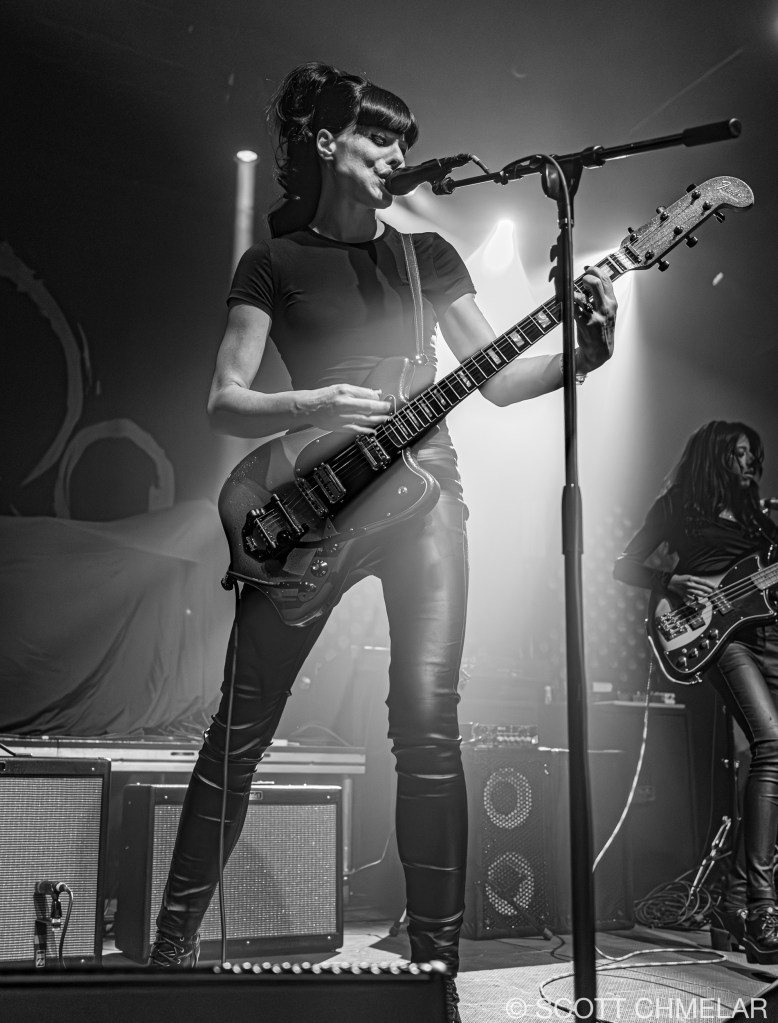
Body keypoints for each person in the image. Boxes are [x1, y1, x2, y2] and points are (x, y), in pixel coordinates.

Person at [149, 61, 617, 1018]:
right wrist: (314, 401)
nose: (398, 153)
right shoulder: (273, 260)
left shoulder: (425, 256)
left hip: (425, 491)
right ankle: (167, 955)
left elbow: (497, 378)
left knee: (428, 721)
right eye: (379, 136)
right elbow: (224, 399)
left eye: (406, 140)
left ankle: (435, 974)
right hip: (309, 503)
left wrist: (585, 356)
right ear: (328, 143)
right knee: (240, 732)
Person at [614, 420, 778, 964]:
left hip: (769, 636)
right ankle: (762, 905)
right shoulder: (681, 507)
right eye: (740, 453)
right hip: (718, 637)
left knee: (773, 757)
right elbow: (624, 564)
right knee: (772, 745)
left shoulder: (759, 520)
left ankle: (732, 905)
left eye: (754, 455)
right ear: (716, 456)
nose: (751, 463)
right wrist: (671, 582)